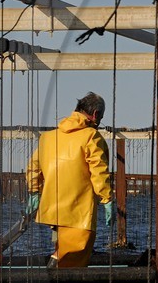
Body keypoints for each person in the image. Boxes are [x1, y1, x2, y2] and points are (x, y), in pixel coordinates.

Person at [25, 92, 113, 268]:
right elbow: (98, 170)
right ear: (95, 114)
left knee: (61, 246)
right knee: (74, 257)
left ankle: (53, 271)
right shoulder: (91, 137)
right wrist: (106, 198)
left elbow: (33, 167)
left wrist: (34, 192)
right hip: (78, 210)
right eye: (100, 118)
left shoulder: (48, 138)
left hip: (53, 210)